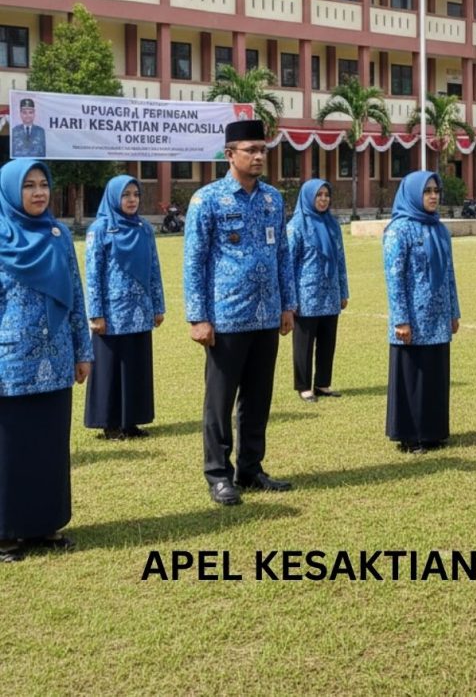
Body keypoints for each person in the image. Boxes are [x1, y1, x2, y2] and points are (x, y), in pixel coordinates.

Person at [184, 120, 296, 505]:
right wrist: (198, 317)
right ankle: (218, 474)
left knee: (258, 397)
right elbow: (194, 261)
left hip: (267, 314)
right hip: (226, 316)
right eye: (251, 150)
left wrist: (288, 304)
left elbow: (283, 254)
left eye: (263, 150)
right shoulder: (208, 200)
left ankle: (250, 468)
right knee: (220, 401)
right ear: (230, 154)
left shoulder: (272, 199)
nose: (259, 156)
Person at [0, 160, 92, 562]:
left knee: (50, 447)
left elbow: (75, 294)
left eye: (43, 184)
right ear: (10, 191)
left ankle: (45, 525)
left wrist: (83, 350)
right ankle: (6, 533)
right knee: (10, 450)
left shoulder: (58, 235)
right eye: (28, 186)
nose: (38, 193)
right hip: (9, 363)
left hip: (55, 359)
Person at [383, 170, 460, 454]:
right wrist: (401, 319)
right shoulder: (399, 230)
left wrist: (453, 311)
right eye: (427, 191)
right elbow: (394, 278)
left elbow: (449, 274)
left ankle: (433, 431)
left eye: (436, 191)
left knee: (435, 375)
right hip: (413, 319)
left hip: (438, 316)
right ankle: (410, 435)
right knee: (412, 377)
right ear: (414, 194)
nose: (433, 196)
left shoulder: (439, 229)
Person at [84, 175, 165, 440]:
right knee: (109, 368)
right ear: (113, 197)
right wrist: (96, 313)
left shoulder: (144, 228)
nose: (132, 200)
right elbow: (93, 274)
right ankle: (110, 424)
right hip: (111, 314)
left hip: (140, 311)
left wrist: (158, 306)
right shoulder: (100, 229)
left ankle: (131, 422)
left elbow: (154, 269)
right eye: (125, 195)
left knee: (135, 366)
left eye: (136, 194)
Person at [287, 179, 349, 403]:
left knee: (327, 341)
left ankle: (323, 383)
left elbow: (340, 260)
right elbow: (288, 265)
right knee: (304, 344)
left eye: (326, 195)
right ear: (308, 197)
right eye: (318, 195)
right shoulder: (296, 226)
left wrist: (343, 291)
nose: (323, 199)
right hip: (306, 295)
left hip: (330, 293)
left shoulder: (333, 225)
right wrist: (290, 300)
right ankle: (303, 386)